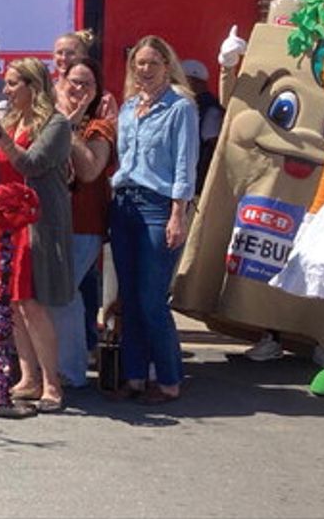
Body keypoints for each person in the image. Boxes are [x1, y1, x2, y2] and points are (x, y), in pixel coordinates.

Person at [0, 57, 73, 411]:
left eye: (14, 83)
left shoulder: (56, 124)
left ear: (34, 86)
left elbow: (31, 164)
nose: (7, 89)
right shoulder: (11, 121)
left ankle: (52, 383)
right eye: (7, 83)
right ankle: (27, 378)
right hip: (6, 227)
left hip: (36, 224)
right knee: (12, 304)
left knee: (31, 303)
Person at [109, 35, 198, 404]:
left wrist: (178, 213)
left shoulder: (180, 107)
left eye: (152, 63)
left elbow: (184, 163)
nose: (144, 70)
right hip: (125, 203)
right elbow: (123, 159)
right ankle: (133, 377)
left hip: (158, 206)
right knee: (128, 296)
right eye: (139, 64)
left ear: (167, 65)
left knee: (151, 297)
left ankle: (169, 380)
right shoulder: (129, 108)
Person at [52, 57, 116, 388]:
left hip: (84, 224)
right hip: (48, 222)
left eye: (86, 84)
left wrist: (68, 126)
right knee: (64, 296)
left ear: (97, 91)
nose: (78, 88)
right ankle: (62, 369)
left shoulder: (99, 127)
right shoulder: (48, 119)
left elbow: (91, 170)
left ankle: (71, 371)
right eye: (72, 82)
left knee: (64, 294)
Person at [180, 59, 224, 195]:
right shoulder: (185, 105)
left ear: (193, 81)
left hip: (196, 188)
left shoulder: (210, 110)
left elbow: (215, 147)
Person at [52, 29, 118, 119]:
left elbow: (109, 131)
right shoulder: (45, 94)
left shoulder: (104, 100)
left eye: (71, 53)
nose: (64, 58)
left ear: (84, 57)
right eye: (59, 53)